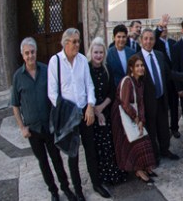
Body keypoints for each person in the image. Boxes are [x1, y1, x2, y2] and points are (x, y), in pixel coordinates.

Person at [48, 28, 111, 199]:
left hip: (84, 111)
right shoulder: (55, 61)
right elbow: (52, 93)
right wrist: (67, 112)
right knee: (72, 154)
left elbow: (89, 85)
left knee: (91, 150)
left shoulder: (82, 60)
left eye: (78, 41)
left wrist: (90, 106)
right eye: (74, 41)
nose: (78, 44)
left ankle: (96, 184)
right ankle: (78, 190)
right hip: (68, 114)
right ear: (66, 43)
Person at [12, 37, 75, 201]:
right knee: (43, 162)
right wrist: (22, 128)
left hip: (49, 126)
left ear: (36, 52)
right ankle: (53, 192)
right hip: (33, 130)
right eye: (27, 53)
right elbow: (15, 105)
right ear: (22, 55)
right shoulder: (18, 77)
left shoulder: (47, 70)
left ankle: (66, 188)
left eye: (32, 52)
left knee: (56, 159)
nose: (30, 56)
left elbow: (58, 93)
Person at [111, 55, 157, 184]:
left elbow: (140, 103)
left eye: (142, 65)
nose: (141, 68)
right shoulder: (127, 81)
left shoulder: (140, 82)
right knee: (135, 143)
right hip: (122, 117)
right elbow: (125, 104)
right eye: (137, 66)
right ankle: (138, 170)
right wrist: (136, 119)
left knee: (145, 139)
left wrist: (141, 120)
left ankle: (145, 167)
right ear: (131, 68)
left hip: (133, 115)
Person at [87, 38, 126, 185]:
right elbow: (85, 93)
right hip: (91, 114)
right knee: (97, 148)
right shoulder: (87, 69)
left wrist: (102, 108)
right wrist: (96, 112)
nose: (98, 55)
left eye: (101, 52)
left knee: (110, 145)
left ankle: (114, 175)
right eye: (95, 52)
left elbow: (111, 92)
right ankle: (101, 177)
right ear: (91, 52)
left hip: (107, 112)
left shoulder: (107, 68)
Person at [138, 29, 179, 161]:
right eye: (146, 39)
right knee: (151, 129)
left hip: (162, 98)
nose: (148, 41)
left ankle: (165, 150)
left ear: (154, 41)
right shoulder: (136, 58)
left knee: (163, 127)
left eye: (151, 39)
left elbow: (169, 73)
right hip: (147, 101)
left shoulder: (159, 55)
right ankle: (154, 155)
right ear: (141, 41)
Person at [154, 15, 180, 142]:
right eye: (162, 29)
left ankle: (174, 128)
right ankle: (164, 132)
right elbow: (153, 36)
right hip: (163, 81)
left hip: (174, 79)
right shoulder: (156, 43)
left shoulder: (173, 43)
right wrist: (159, 27)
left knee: (175, 105)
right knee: (164, 107)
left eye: (165, 28)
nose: (164, 30)